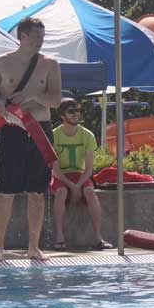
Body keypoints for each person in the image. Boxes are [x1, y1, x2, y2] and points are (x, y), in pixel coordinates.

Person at [0, 17, 62, 262]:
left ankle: (33, 247)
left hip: (39, 128)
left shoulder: (50, 64)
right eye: (36, 36)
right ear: (23, 36)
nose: (41, 40)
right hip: (11, 130)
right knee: (6, 191)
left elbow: (56, 101)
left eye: (43, 36)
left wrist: (34, 93)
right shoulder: (1, 63)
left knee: (37, 191)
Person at [51, 98, 113, 251]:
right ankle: (59, 236)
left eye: (77, 110)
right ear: (62, 116)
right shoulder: (54, 135)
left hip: (80, 176)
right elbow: (55, 170)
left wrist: (78, 186)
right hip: (61, 176)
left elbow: (89, 168)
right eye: (71, 111)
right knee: (61, 192)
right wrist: (72, 187)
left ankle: (98, 237)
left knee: (90, 192)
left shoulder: (87, 135)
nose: (75, 114)